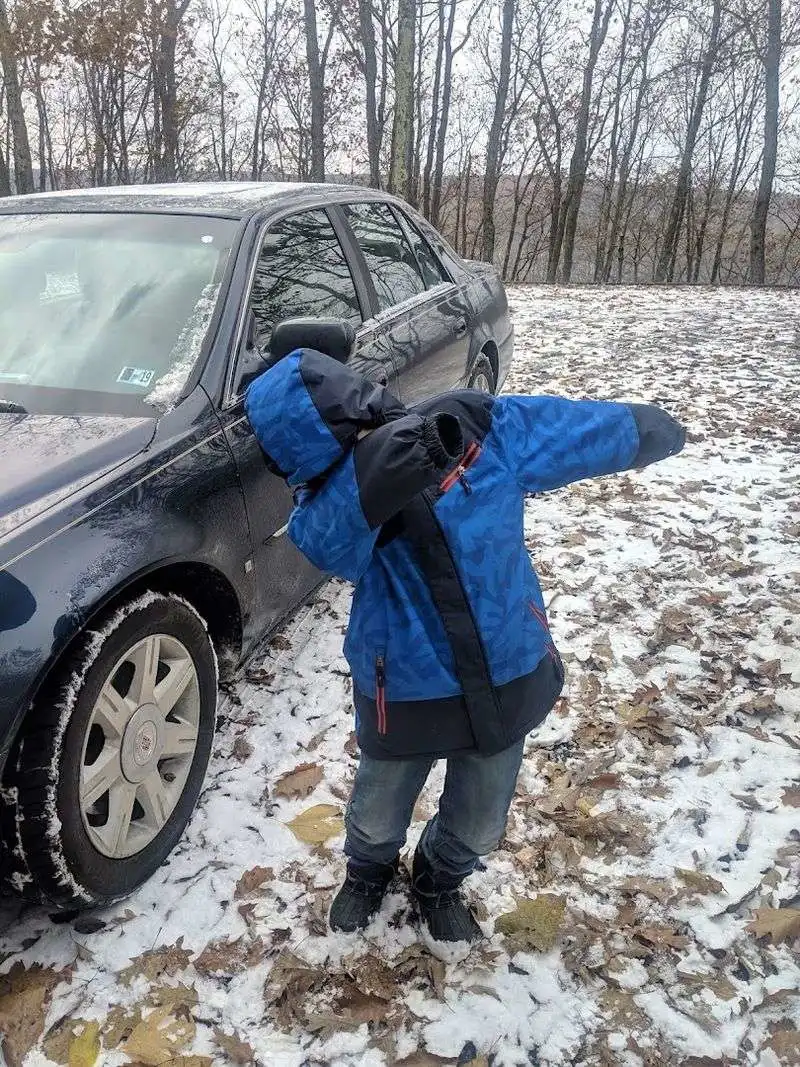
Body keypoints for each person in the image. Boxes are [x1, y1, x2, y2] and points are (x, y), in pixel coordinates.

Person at [246, 348, 685, 947]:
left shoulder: (471, 427)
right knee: (376, 815)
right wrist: (382, 470)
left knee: (480, 820)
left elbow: (557, 432)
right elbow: (328, 545)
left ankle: (439, 879)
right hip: (403, 682)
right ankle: (368, 873)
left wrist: (635, 430)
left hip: (508, 658)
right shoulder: (326, 502)